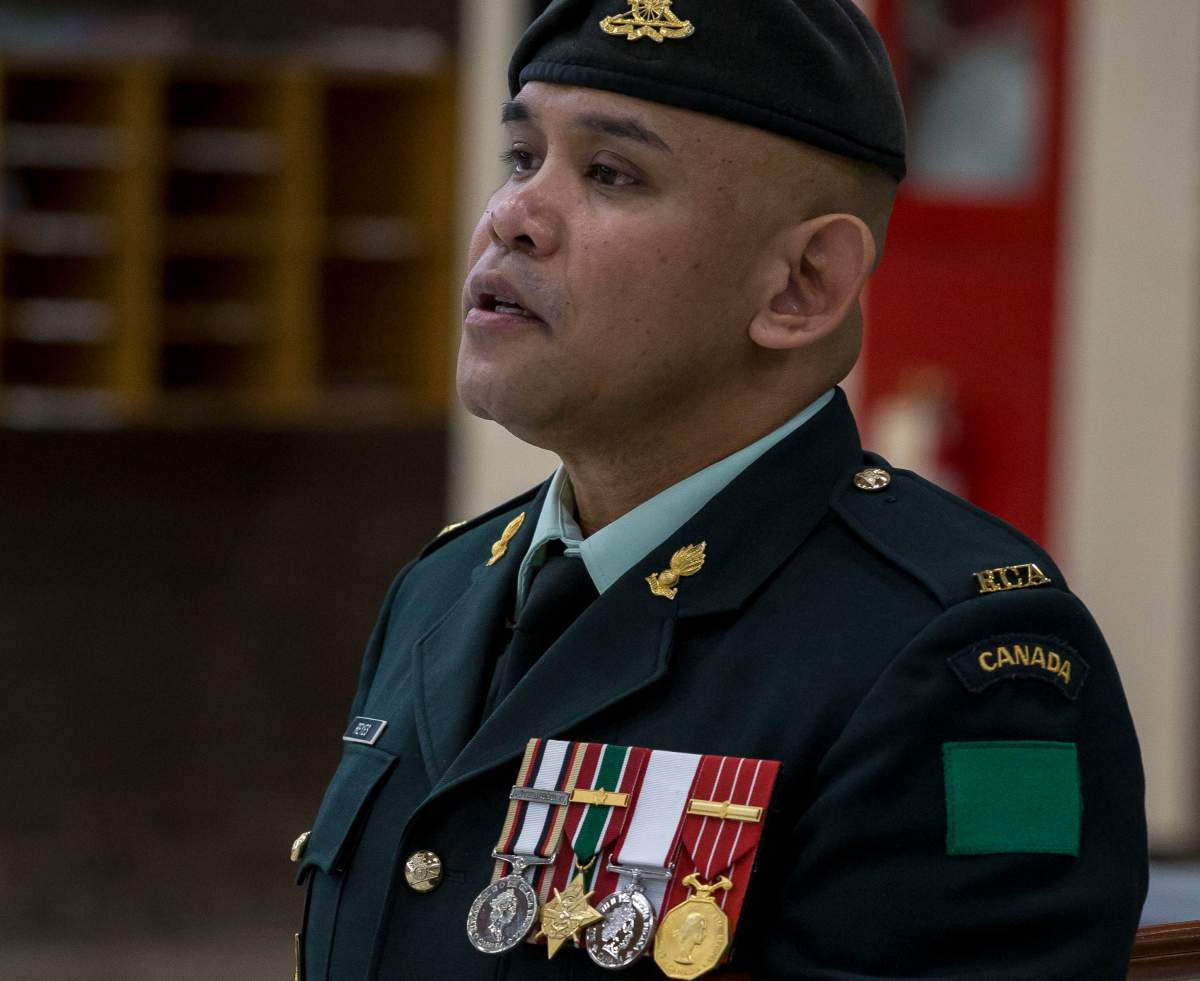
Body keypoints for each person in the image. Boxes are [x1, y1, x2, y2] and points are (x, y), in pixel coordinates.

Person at [292, 1, 1147, 978]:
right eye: (522, 156)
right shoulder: (442, 593)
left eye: (612, 173)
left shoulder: (963, 666)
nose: (511, 217)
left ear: (801, 286)